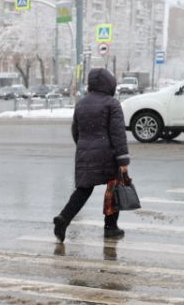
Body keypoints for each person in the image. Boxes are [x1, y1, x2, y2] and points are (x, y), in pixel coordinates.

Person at [53, 68, 131, 243]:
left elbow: (75, 131)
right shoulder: (112, 103)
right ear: (109, 84)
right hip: (108, 154)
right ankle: (111, 227)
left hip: (84, 152)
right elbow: (118, 134)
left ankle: (63, 218)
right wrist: (123, 159)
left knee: (83, 190)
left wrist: (85, 146)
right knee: (113, 188)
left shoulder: (81, 104)